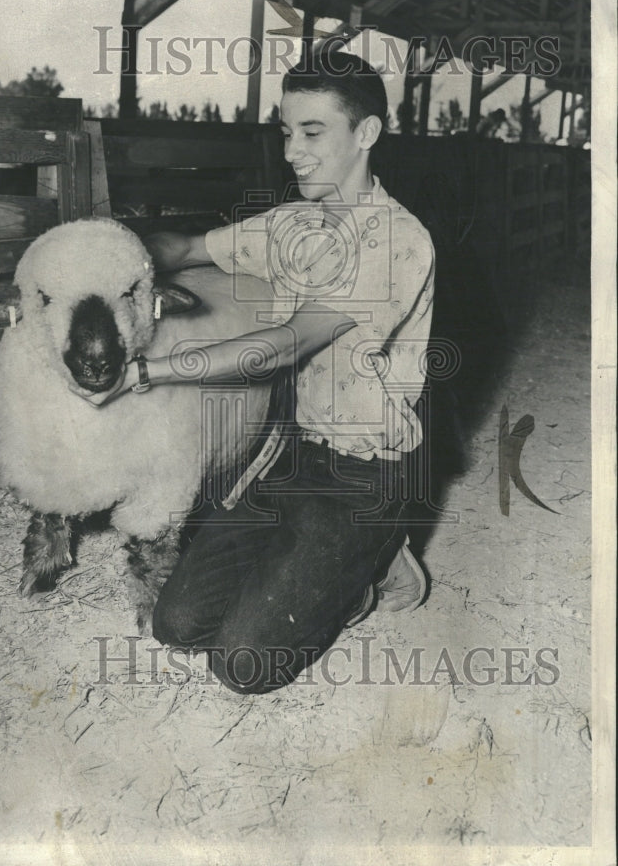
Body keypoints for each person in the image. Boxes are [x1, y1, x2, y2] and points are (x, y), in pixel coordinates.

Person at [80, 42, 435, 694]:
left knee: (244, 664)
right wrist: (107, 253)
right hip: (291, 455)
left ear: (366, 133)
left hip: (365, 473)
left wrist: (148, 373)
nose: (292, 149)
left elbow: (279, 347)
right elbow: (184, 247)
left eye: (311, 131)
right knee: (178, 625)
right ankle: (314, 561)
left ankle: (370, 557)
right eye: (285, 131)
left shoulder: (397, 241)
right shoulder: (295, 224)